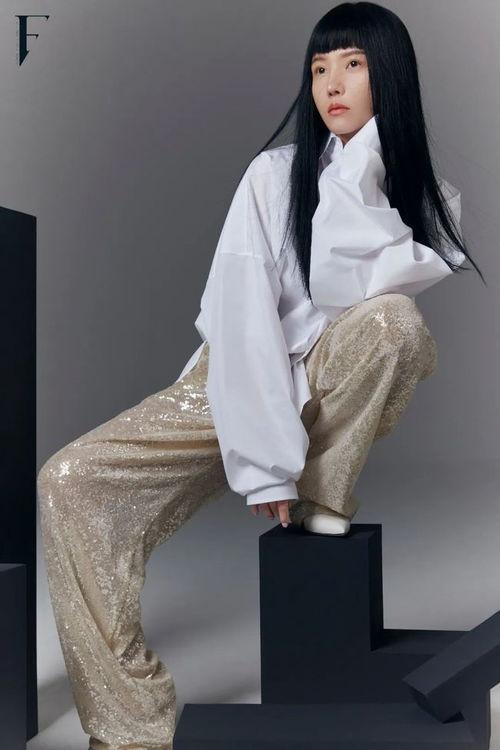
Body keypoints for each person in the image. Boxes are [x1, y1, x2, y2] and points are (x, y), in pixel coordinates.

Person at [36, 2, 484, 748]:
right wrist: (265, 462)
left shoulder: (426, 198)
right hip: (233, 382)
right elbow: (244, 318)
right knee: (67, 482)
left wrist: (365, 166)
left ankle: (325, 491)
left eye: (353, 65)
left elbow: (365, 309)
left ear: (390, 76)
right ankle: (130, 717)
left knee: (396, 325)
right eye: (318, 69)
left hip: (331, 373)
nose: (331, 85)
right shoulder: (273, 176)